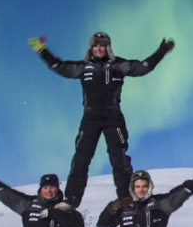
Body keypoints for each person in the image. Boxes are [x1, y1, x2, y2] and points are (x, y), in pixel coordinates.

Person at [28, 32, 174, 207]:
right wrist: (42, 51)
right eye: (96, 45)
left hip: (113, 116)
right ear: (91, 47)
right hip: (90, 117)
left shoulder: (118, 65)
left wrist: (161, 52)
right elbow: (59, 66)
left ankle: (127, 198)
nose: (99, 48)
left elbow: (142, 67)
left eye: (103, 45)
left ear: (108, 47)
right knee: (81, 158)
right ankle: (71, 201)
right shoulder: (83, 67)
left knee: (119, 157)